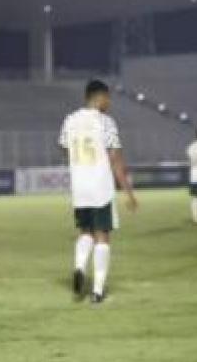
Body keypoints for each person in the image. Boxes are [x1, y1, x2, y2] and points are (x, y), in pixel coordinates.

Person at [59, 79, 138, 303]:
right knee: (103, 237)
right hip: (100, 186)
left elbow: (64, 148)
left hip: (80, 187)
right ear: (99, 97)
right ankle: (97, 291)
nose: (109, 102)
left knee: (85, 232)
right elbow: (116, 160)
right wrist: (129, 193)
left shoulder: (70, 120)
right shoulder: (106, 122)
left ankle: (79, 266)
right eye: (108, 97)